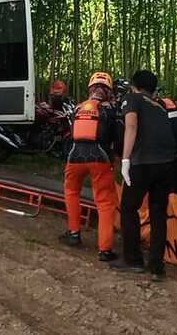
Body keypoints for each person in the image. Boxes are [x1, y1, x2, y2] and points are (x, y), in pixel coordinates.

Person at [109, 70, 177, 282]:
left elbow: (131, 125)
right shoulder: (160, 106)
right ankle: (157, 267)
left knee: (129, 208)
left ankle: (133, 260)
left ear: (134, 85)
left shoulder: (133, 98)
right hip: (167, 164)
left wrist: (126, 159)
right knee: (158, 214)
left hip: (143, 162)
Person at [59, 72, 120, 262]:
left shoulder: (77, 108)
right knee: (105, 203)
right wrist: (117, 159)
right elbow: (117, 137)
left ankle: (74, 233)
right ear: (109, 91)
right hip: (99, 158)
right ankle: (105, 249)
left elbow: (71, 133)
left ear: (90, 89)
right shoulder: (111, 109)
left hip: (75, 156)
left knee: (71, 193)